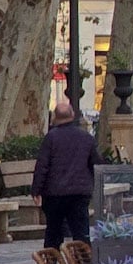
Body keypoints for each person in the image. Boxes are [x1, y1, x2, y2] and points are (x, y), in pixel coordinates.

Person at [32, 101, 98, 249]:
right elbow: (96, 163)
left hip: (55, 194)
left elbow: (42, 166)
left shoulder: (51, 138)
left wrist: (36, 190)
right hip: (79, 193)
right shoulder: (86, 137)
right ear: (73, 115)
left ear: (54, 117)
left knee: (53, 233)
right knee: (81, 233)